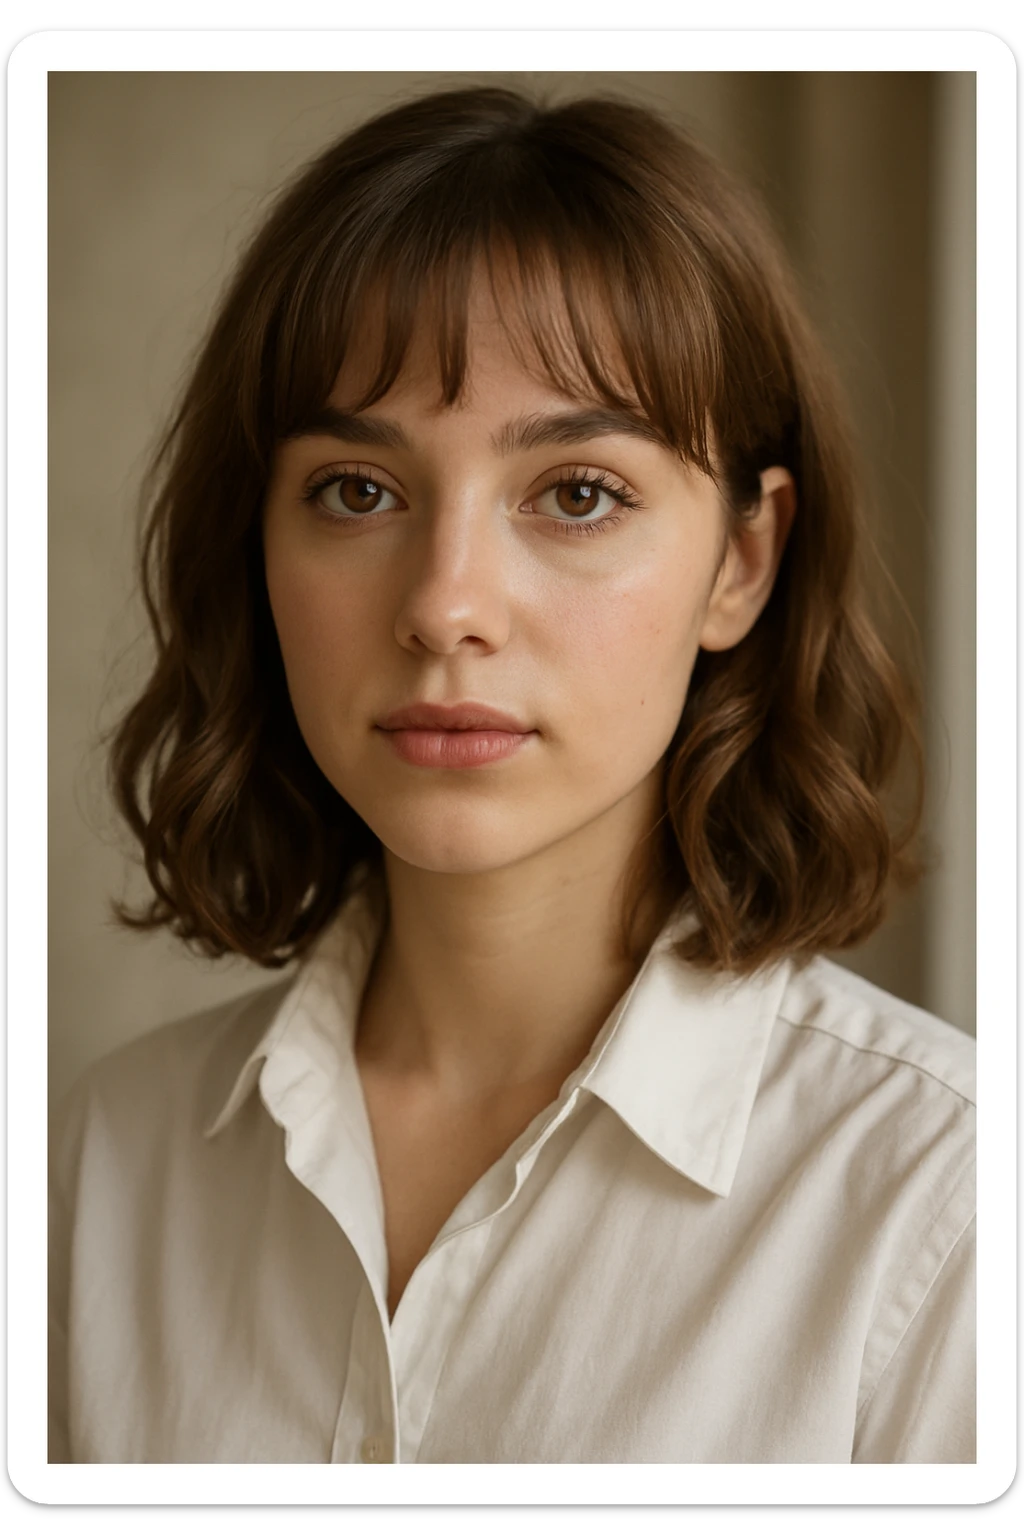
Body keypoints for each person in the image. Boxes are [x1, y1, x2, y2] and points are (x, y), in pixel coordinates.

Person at [48, 86, 975, 1465]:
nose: (445, 606)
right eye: (358, 489)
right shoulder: (90, 1173)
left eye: (578, 492)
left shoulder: (950, 1206)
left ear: (743, 559)